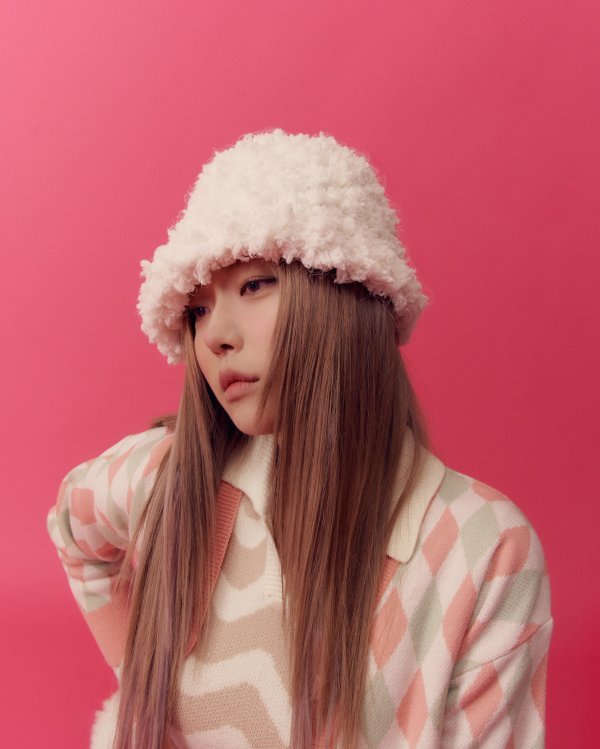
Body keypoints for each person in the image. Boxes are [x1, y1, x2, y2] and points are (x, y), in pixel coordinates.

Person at [46, 129, 553, 749]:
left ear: (348, 290)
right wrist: (143, 680)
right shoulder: (170, 479)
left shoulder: (482, 548)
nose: (216, 335)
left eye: (255, 285)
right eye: (199, 310)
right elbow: (73, 526)